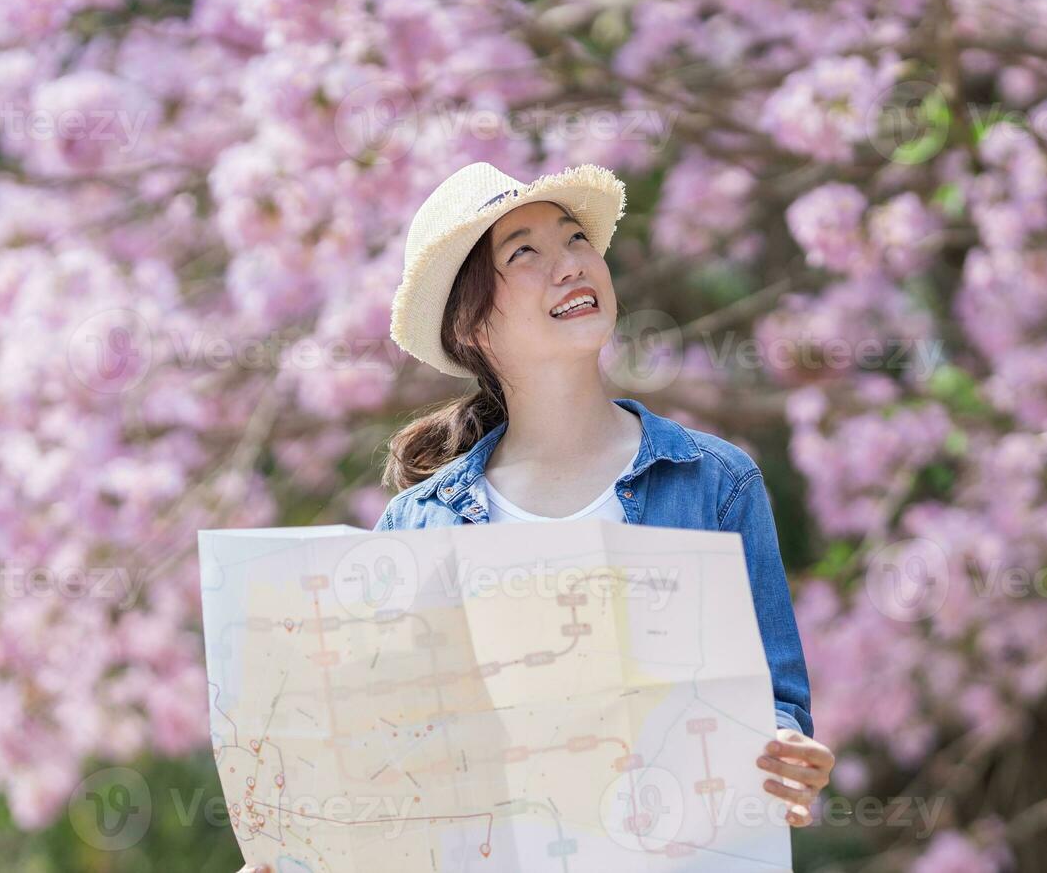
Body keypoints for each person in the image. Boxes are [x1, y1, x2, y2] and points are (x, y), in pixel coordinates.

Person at [237, 161, 832, 873]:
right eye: (525, 253)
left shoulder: (714, 483)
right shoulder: (417, 528)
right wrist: (304, 846)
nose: (570, 265)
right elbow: (388, 765)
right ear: (472, 324)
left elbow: (775, 704)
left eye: (576, 239)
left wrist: (786, 754)